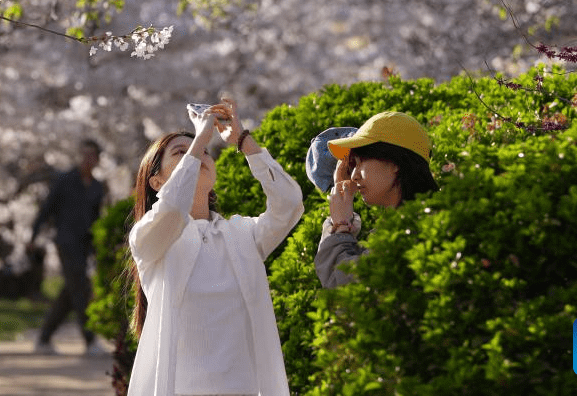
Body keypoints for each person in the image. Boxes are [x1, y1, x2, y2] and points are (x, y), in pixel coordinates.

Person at [126, 97, 305, 396]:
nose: (199, 155)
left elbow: (289, 204)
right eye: (180, 153)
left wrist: (243, 140)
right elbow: (172, 209)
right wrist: (199, 140)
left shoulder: (242, 234)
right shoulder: (150, 238)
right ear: (156, 182)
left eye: (205, 151)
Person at [315, 111, 439, 289]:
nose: (354, 176)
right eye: (353, 165)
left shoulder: (413, 229)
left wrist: (341, 224)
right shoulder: (415, 219)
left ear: (394, 162)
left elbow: (349, 290)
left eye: (361, 162)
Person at [30, 138, 107, 354]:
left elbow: (96, 217)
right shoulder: (64, 181)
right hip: (66, 241)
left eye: (91, 155)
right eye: (84, 154)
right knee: (81, 289)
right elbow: (46, 209)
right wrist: (33, 235)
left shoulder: (97, 187)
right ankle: (90, 340)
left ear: (98, 159)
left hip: (85, 244)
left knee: (70, 291)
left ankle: (44, 338)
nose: (87, 159)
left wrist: (98, 245)